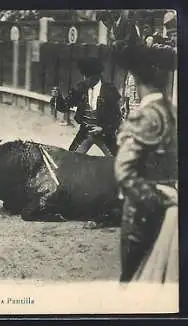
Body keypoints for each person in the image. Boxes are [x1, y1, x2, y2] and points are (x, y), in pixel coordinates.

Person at [112, 34, 178, 283]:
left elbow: (124, 171)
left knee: (133, 278)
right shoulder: (173, 113)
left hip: (144, 213)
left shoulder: (146, 116)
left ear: (135, 78)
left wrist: (158, 199)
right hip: (176, 210)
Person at [50, 57, 123, 156]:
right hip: (85, 132)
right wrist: (57, 97)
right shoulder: (81, 88)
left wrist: (103, 129)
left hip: (105, 135)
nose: (85, 79)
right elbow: (64, 107)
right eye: (84, 76)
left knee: (118, 162)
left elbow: (117, 118)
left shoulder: (109, 90)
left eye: (88, 77)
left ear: (97, 77)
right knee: (70, 159)